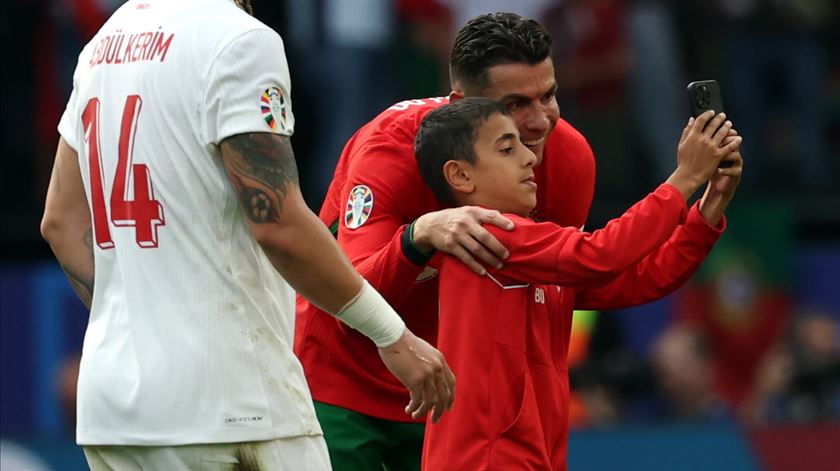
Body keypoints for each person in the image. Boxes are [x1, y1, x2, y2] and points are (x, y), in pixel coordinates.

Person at [295, 12, 739, 470]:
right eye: (514, 106)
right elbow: (352, 297)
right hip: (345, 386)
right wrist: (417, 236)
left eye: (548, 95)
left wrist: (704, 217)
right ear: (461, 105)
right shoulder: (390, 151)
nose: (539, 122)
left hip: (452, 404)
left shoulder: (566, 161)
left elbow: (576, 281)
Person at [39, 0, 454, 469]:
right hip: (230, 407)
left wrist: (142, 323)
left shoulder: (103, 44)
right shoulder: (238, 39)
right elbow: (278, 223)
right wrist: (390, 333)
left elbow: (61, 222)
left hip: (116, 412)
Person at [414, 97, 742, 469]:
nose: (530, 158)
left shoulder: (528, 251)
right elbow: (603, 253)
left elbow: (641, 279)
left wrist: (710, 205)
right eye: (507, 148)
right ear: (460, 176)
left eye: (523, 144)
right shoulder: (487, 232)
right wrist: (685, 178)